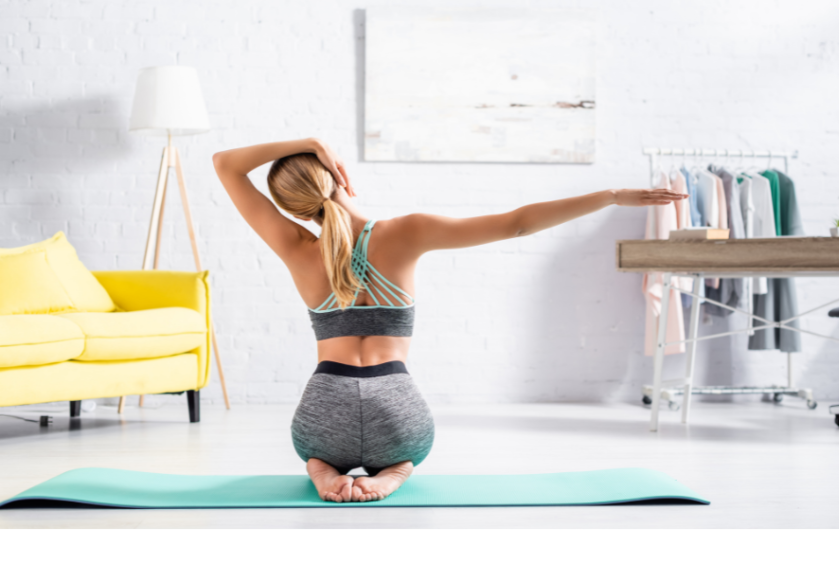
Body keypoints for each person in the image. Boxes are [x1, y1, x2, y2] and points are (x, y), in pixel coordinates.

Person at [213, 137, 686, 503]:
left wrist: (309, 140)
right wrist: (611, 195)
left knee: (314, 450)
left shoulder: (295, 247)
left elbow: (225, 163)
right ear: (340, 175)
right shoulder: (406, 233)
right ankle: (394, 472)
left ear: (291, 207)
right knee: (407, 451)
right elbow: (516, 222)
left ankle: (322, 470)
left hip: (323, 409)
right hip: (394, 411)